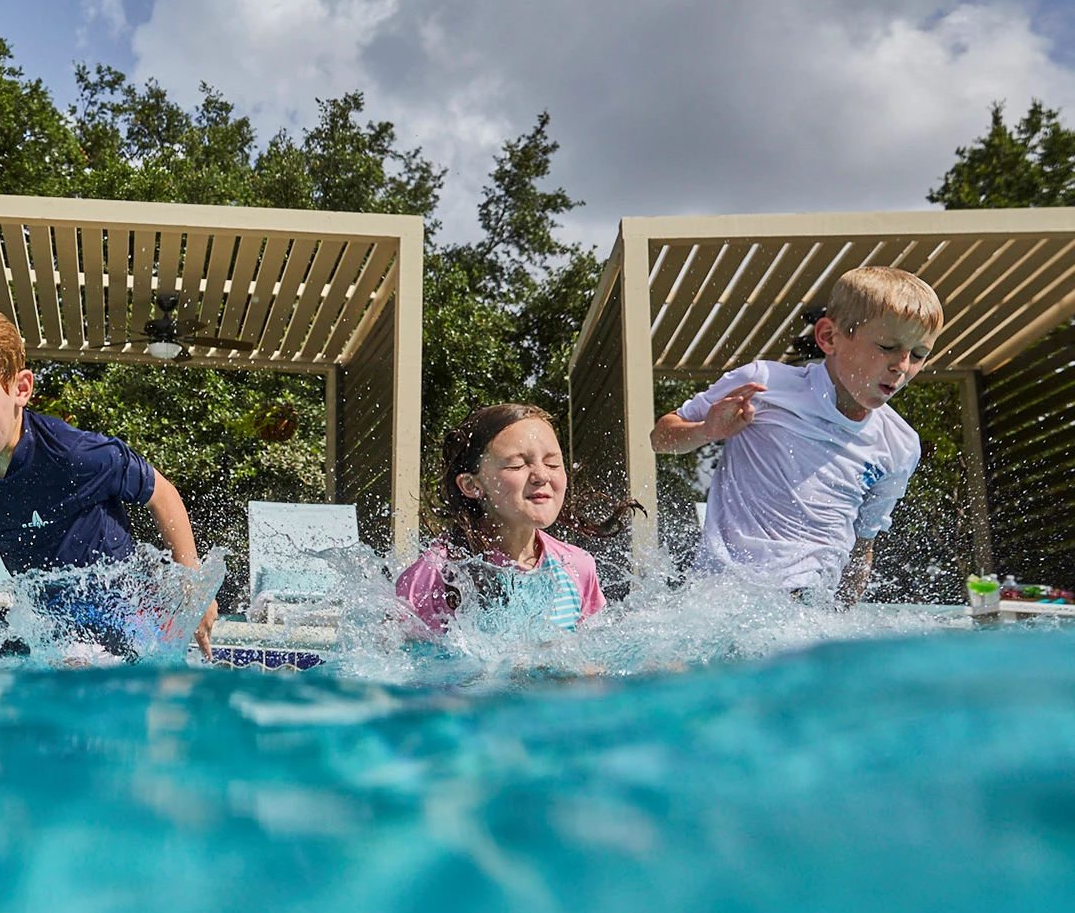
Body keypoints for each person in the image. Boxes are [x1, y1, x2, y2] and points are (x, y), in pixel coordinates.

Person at [0, 302, 218, 659]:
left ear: (20, 389)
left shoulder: (76, 455)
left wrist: (192, 586)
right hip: (43, 625)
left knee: (75, 661)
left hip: (119, 624)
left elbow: (161, 492)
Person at [650, 265, 943, 603]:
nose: (902, 366)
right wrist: (706, 430)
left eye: (919, 354)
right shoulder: (765, 385)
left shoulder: (899, 445)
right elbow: (660, 439)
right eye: (888, 346)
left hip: (807, 613)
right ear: (829, 337)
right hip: (724, 599)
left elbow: (862, 546)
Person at [396, 404, 633, 639]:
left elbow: (593, 664)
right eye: (516, 465)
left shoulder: (577, 567)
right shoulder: (435, 574)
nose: (542, 475)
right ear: (471, 485)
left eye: (552, 463)